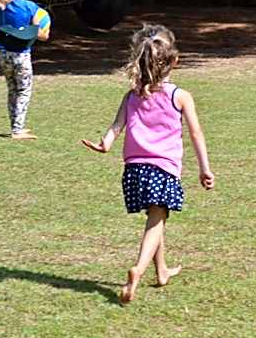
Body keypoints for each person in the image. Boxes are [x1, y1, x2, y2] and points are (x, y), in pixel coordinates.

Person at [81, 24, 215, 304]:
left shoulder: (132, 95)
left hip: (134, 169)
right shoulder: (180, 96)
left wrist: (104, 144)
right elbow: (196, 133)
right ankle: (138, 271)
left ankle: (162, 270)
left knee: (156, 216)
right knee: (157, 220)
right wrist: (204, 168)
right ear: (175, 60)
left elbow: (117, 126)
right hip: (162, 169)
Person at [0, 0, 51, 140]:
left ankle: (16, 125)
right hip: (21, 56)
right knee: (24, 90)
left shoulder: (0, 4)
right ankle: (18, 129)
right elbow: (42, 35)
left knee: (12, 90)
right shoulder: (29, 7)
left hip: (4, 54)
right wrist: (41, 24)